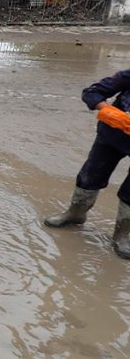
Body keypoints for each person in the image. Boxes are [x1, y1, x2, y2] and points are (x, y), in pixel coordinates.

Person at [44, 69, 130, 259]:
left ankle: (123, 235)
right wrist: (108, 110)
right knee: (90, 175)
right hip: (112, 136)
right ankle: (75, 214)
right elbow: (91, 92)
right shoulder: (128, 76)